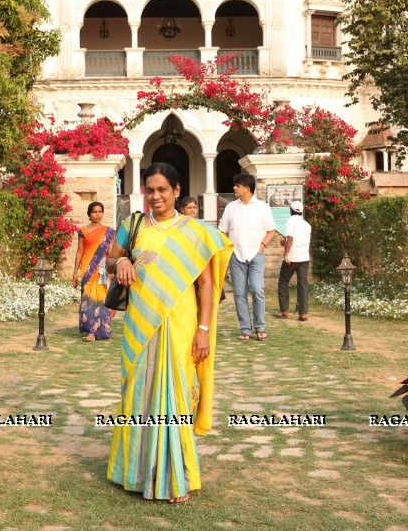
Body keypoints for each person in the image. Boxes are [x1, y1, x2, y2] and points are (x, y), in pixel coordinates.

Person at [105, 162, 233, 504]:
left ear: (177, 191)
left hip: (181, 323)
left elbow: (206, 285)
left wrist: (203, 329)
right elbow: (108, 259)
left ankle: (175, 475)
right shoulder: (132, 225)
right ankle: (133, 472)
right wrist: (121, 262)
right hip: (139, 323)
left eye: (163, 189)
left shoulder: (196, 231)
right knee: (137, 392)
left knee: (174, 393)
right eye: (150, 190)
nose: (156, 196)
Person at [218, 173, 276, 341]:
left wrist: (262, 246)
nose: (234, 188)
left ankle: (260, 327)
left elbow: (271, 230)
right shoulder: (231, 207)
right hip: (236, 255)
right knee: (239, 294)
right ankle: (245, 329)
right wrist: (228, 248)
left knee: (257, 290)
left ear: (247, 188)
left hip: (255, 255)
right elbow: (223, 230)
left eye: (238, 185)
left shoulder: (262, 207)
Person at [73, 201, 113, 341]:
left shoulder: (108, 232)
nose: (97, 214)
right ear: (89, 214)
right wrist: (75, 273)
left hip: (102, 269)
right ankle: (90, 329)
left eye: (100, 211)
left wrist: (112, 272)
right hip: (87, 269)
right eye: (94, 212)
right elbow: (79, 252)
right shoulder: (82, 231)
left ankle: (94, 332)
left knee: (100, 298)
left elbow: (111, 253)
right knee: (87, 297)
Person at [276, 200, 312, 321]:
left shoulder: (290, 221)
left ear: (290, 210)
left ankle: (284, 311)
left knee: (283, 281)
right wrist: (284, 242)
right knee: (302, 285)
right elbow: (298, 240)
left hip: (292, 256)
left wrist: (285, 254)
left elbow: (290, 239)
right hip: (304, 257)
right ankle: (303, 314)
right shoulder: (307, 225)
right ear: (301, 212)